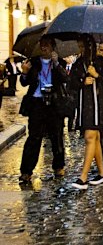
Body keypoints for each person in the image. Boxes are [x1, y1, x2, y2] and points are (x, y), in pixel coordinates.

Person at [18, 36, 68, 184]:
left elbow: (65, 78)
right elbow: (23, 82)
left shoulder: (60, 62)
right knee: (34, 138)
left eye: (47, 45)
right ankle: (26, 171)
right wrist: (25, 72)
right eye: (42, 45)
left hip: (54, 104)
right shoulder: (33, 63)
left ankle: (58, 166)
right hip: (37, 103)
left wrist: (56, 63)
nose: (44, 48)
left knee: (56, 136)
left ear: (53, 47)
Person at [70, 35, 103, 189]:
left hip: (98, 104)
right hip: (84, 104)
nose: (81, 50)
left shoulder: (101, 62)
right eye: (79, 46)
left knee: (90, 136)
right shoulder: (77, 64)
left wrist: (97, 75)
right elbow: (71, 83)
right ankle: (102, 173)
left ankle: (83, 177)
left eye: (84, 47)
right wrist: (83, 80)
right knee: (93, 138)